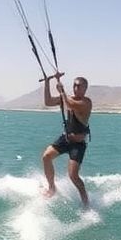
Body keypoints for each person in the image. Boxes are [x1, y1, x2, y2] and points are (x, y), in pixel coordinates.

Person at [42, 73, 92, 208]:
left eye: (79, 86)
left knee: (73, 176)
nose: (76, 88)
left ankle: (86, 203)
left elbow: (70, 104)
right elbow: (48, 102)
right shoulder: (67, 98)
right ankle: (52, 188)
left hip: (78, 144)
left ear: (85, 88)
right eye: (74, 86)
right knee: (46, 156)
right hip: (65, 139)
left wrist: (62, 91)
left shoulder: (86, 103)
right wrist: (47, 82)